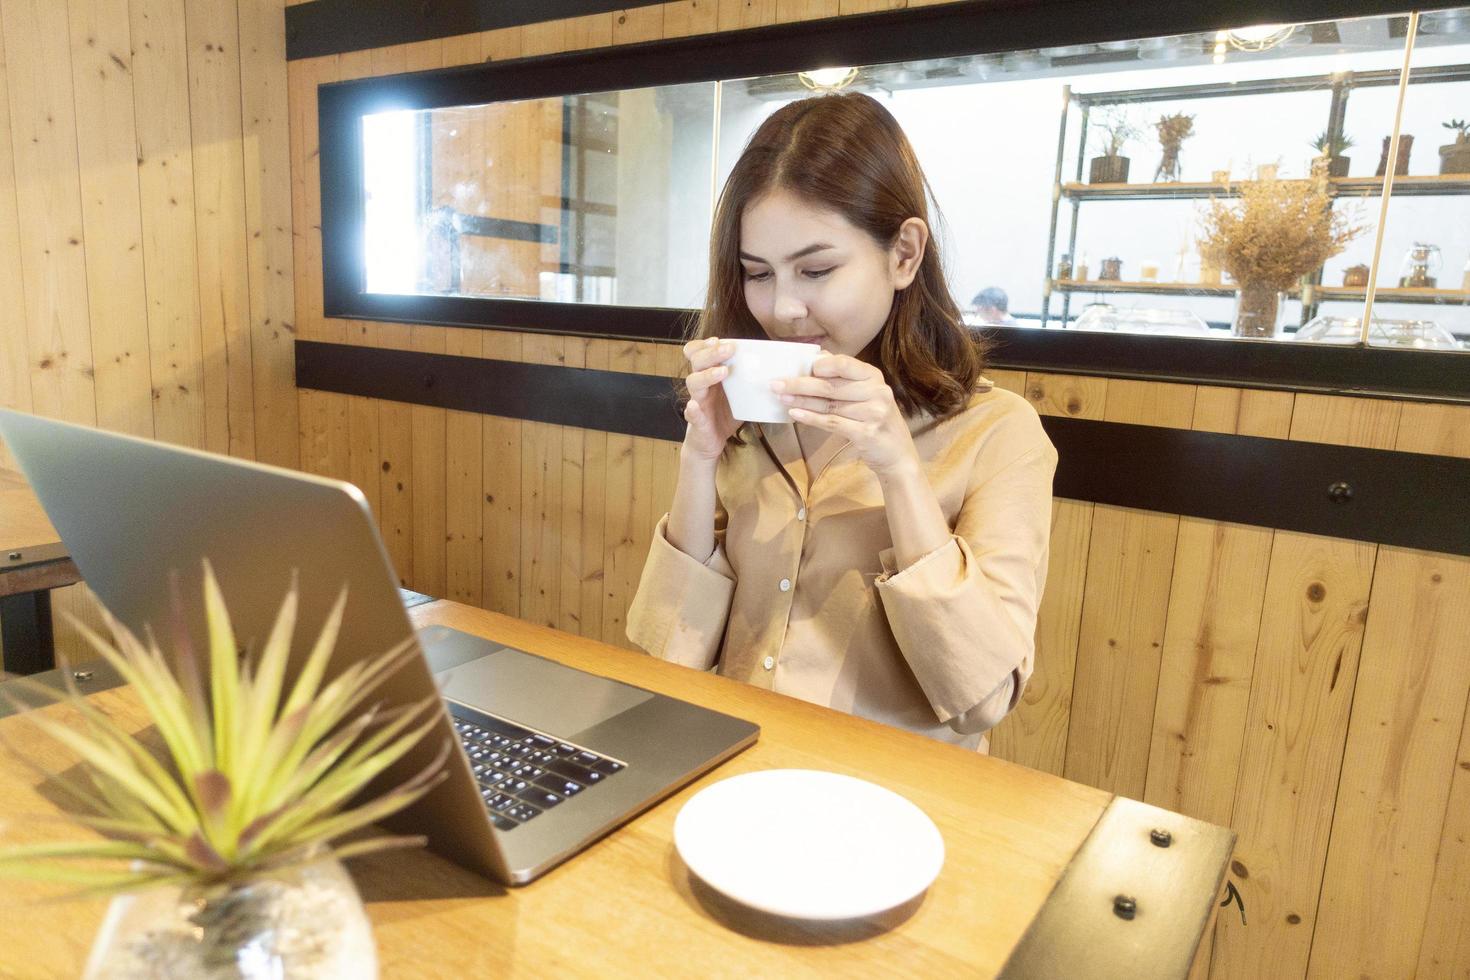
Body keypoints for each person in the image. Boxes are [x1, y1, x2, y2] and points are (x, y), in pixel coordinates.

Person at [626, 93, 1056, 752]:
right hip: (735, 773)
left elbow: (983, 700)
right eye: (757, 274)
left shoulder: (1000, 433)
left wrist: (898, 470)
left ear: (904, 254)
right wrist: (699, 459)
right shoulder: (755, 410)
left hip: (895, 808)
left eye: (817, 269)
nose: (784, 308)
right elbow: (666, 655)